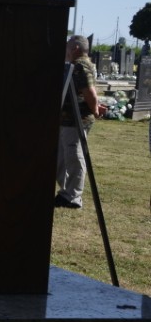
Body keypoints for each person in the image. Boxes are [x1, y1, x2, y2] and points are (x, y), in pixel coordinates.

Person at [55, 35, 105, 209]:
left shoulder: (80, 65)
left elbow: (90, 93)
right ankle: (66, 191)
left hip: (76, 120)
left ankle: (73, 196)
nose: (65, 50)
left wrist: (96, 110)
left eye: (67, 46)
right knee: (62, 157)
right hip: (67, 119)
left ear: (75, 48)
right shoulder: (78, 65)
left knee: (74, 155)